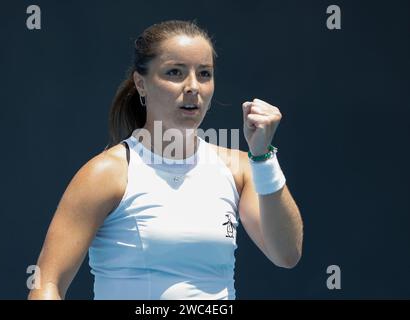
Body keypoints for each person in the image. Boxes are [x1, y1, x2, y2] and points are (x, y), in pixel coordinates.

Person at [28, 20, 303, 300]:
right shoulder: (106, 173)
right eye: (175, 72)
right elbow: (47, 284)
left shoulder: (242, 168)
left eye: (205, 74)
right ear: (141, 83)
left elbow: (286, 254)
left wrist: (263, 157)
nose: (193, 87)